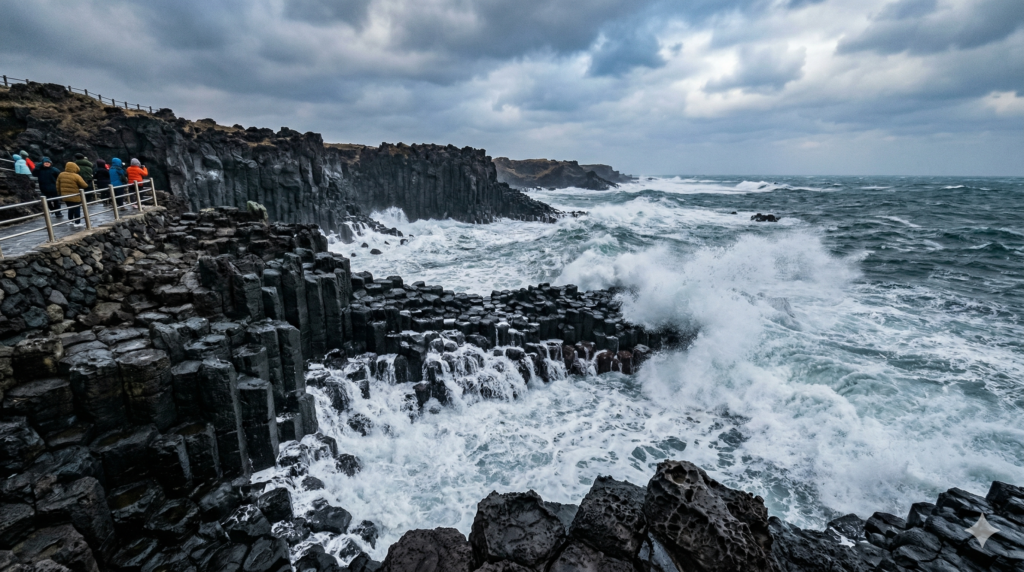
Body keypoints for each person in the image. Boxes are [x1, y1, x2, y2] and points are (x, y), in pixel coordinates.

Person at [56, 162, 88, 228]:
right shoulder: (76, 176)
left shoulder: (61, 174)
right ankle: (77, 222)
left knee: (70, 208)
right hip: (75, 195)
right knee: (77, 209)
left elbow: (57, 185)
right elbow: (84, 185)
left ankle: (71, 221)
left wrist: (59, 194)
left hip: (65, 196)